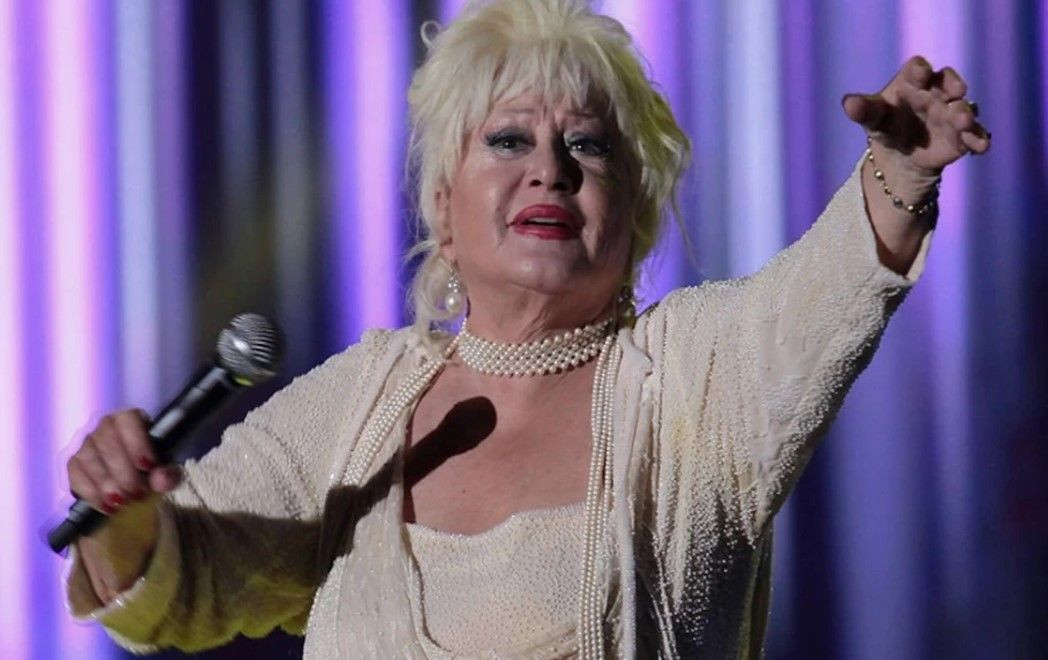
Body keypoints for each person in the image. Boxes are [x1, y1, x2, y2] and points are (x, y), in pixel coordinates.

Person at [62, 0, 991, 657]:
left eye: (587, 145)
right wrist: (123, 516)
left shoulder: (695, 378)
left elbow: (822, 296)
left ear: (634, 212)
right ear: (444, 205)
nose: (550, 169)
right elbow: (180, 578)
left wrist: (901, 174)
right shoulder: (358, 401)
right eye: (509, 140)